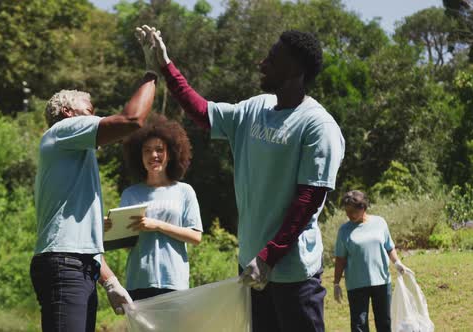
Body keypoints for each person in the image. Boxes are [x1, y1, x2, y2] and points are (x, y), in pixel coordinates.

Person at [138, 25, 345, 331]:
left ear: (296, 68)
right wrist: (165, 67)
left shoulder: (317, 125)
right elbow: (202, 112)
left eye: (273, 59)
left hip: (292, 274)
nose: (262, 63)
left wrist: (269, 257)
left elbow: (308, 200)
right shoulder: (255, 108)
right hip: (252, 267)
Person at [29, 29, 159, 332]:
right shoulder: (61, 132)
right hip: (65, 265)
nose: (94, 120)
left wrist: (110, 281)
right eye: (89, 113)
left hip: (79, 265)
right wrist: (152, 72)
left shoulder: (72, 158)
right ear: (67, 113)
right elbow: (132, 120)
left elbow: (80, 241)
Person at [107, 114, 203, 301]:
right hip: (138, 280)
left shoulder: (184, 191)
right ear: (139, 155)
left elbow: (196, 236)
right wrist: (110, 230)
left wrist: (157, 225)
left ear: (171, 153)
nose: (153, 155)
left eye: (160, 149)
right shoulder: (130, 193)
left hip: (174, 281)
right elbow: (125, 244)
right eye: (147, 150)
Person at [333, 190, 412, 332]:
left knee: (384, 322)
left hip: (381, 281)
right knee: (359, 325)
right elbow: (340, 259)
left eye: (352, 211)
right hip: (356, 284)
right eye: (346, 211)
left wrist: (397, 262)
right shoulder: (344, 231)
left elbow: (389, 247)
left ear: (363, 207)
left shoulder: (380, 222)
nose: (348, 215)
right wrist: (336, 283)